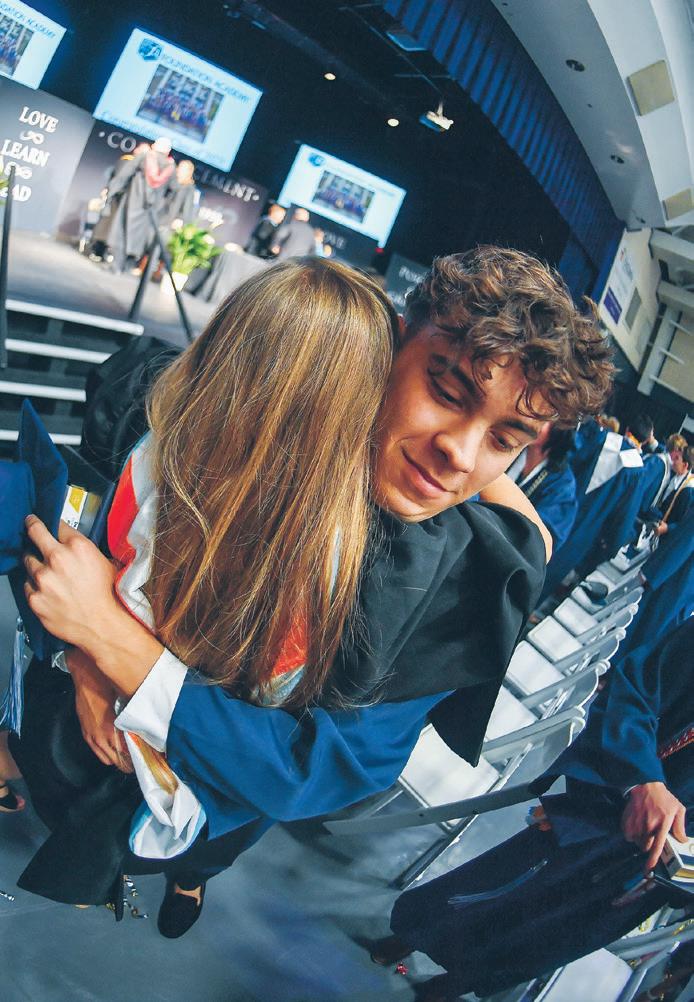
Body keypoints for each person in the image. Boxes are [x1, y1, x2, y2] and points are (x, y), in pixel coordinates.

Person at [1, 248, 612, 939]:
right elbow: (74, 518)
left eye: (504, 439)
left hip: (222, 792)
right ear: (390, 349)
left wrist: (110, 646)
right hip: (95, 742)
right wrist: (81, 656)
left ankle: (191, 880)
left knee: (208, 850)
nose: (461, 455)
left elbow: (312, 770)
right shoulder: (246, 419)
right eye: (446, 392)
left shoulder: (444, 587)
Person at [371, 618, 693, 1001]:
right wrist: (642, 779)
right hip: (618, 808)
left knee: (556, 937)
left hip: (667, 872)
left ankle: (456, 984)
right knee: (500, 886)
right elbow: (636, 688)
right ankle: (413, 935)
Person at [541, 411, 646, 597]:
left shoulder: (600, 438)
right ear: (643, 441)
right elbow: (622, 522)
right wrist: (605, 552)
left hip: (555, 513)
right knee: (545, 582)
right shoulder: (636, 470)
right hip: (584, 536)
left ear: (627, 430)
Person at [106, 137, 176, 272]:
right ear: (168, 151)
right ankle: (127, 267)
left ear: (155, 146)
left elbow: (124, 174)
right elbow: (173, 190)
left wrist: (111, 191)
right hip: (151, 209)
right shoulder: (171, 168)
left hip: (133, 202)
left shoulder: (145, 157)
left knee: (122, 231)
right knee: (139, 238)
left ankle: (116, 267)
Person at [507, 423, 578, 549]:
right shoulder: (508, 448)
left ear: (561, 429)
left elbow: (545, 537)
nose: (532, 423)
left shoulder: (563, 483)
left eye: (544, 421)